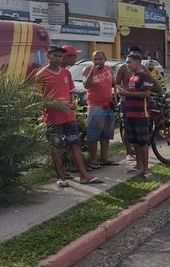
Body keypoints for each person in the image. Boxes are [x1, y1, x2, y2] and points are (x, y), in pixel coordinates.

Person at [35, 46, 103, 188]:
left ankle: (84, 176)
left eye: (60, 56)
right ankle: (61, 177)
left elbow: (71, 92)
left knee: (75, 145)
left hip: (69, 117)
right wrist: (56, 105)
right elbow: (38, 99)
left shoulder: (66, 73)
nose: (58, 58)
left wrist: (72, 104)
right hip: (53, 119)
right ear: (48, 56)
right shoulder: (41, 74)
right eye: (55, 56)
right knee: (56, 147)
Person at [116, 53, 154, 179]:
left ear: (137, 62)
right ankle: (139, 165)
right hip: (130, 112)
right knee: (135, 141)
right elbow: (130, 93)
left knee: (143, 142)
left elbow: (146, 94)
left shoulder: (144, 76)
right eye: (126, 62)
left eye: (129, 62)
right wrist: (123, 92)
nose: (127, 65)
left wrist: (127, 93)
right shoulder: (132, 78)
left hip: (141, 113)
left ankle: (146, 169)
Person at [82, 51, 118, 168]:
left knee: (106, 135)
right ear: (92, 60)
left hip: (108, 106)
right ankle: (93, 160)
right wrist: (92, 72)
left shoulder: (108, 69)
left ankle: (104, 158)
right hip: (95, 107)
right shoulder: (87, 70)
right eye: (95, 59)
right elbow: (86, 85)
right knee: (93, 136)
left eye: (100, 59)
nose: (98, 61)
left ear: (105, 59)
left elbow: (113, 84)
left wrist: (115, 96)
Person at [116, 45, 143, 160]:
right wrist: (116, 98)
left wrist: (162, 91)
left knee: (137, 128)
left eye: (137, 55)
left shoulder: (141, 69)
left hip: (138, 103)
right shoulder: (123, 68)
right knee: (126, 127)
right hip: (125, 102)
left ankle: (138, 153)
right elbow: (116, 84)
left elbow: (151, 80)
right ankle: (128, 152)